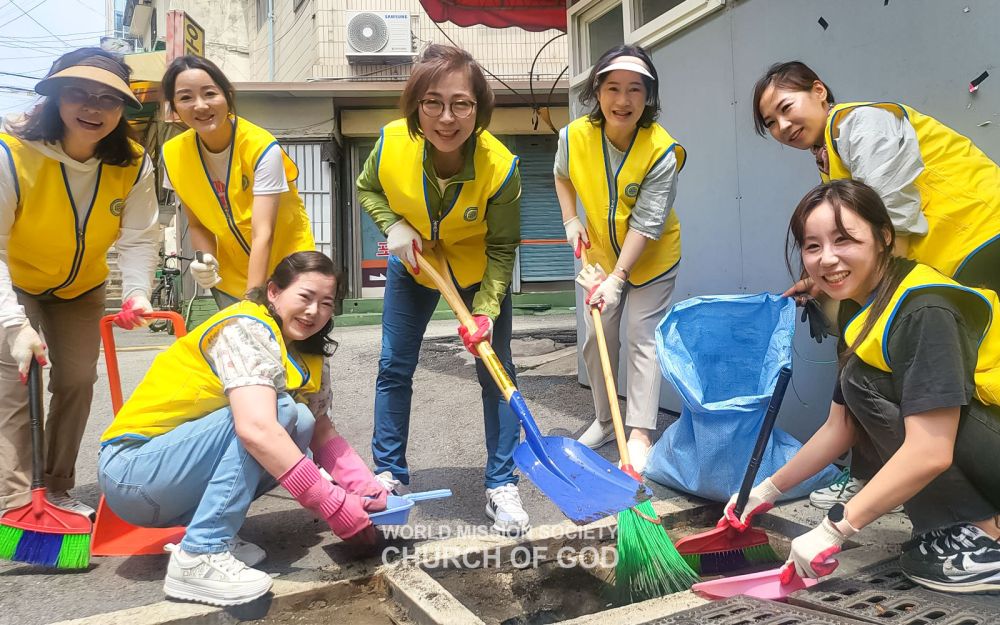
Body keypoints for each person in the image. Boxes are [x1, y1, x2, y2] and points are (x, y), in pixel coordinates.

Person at [721, 180, 1000, 594]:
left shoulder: (924, 310)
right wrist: (766, 490)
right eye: (812, 246)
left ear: (884, 236)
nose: (827, 259)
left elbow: (931, 449)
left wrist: (835, 528)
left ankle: (985, 539)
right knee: (860, 382)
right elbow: (841, 425)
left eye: (844, 239)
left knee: (868, 384)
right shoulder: (862, 303)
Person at [752, 60, 1000, 509]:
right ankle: (879, 478)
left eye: (787, 108)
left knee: (966, 375)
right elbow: (858, 239)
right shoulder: (832, 155)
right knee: (877, 359)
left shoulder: (862, 125)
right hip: (955, 257)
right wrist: (819, 281)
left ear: (819, 91)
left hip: (984, 239)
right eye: (771, 122)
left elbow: (890, 221)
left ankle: (974, 517)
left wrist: (863, 294)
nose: (783, 125)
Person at [98, 251, 387, 606]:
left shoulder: (307, 352)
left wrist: (366, 490)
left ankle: (212, 529)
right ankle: (201, 552)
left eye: (326, 303)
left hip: (172, 484)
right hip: (133, 473)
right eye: (305, 297)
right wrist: (335, 506)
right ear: (273, 293)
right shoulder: (245, 328)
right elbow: (256, 430)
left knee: (302, 420)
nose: (314, 311)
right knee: (277, 415)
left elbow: (321, 430)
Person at [356, 44, 527, 535]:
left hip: (476, 273)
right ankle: (388, 474)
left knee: (496, 371)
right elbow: (368, 189)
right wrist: (392, 225)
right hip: (414, 265)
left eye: (461, 104)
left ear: (479, 108)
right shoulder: (390, 143)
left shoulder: (502, 168)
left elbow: (502, 246)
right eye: (433, 102)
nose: (447, 117)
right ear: (416, 105)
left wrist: (487, 310)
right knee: (394, 365)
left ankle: (500, 483)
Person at [0, 48, 158, 519]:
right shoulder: (11, 152)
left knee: (77, 380)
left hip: (81, 288)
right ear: (54, 98)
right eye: (78, 94)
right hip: (18, 281)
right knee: (16, 381)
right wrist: (14, 324)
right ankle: (15, 504)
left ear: (121, 109)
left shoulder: (131, 162)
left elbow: (139, 236)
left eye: (107, 99)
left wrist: (136, 292)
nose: (93, 108)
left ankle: (58, 487)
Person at [555, 45, 684, 474]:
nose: (623, 100)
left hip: (650, 258)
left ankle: (641, 432)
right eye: (612, 88)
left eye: (634, 89)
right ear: (597, 90)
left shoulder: (661, 150)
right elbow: (560, 174)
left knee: (642, 337)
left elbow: (647, 224)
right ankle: (606, 420)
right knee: (597, 341)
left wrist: (619, 279)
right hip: (598, 257)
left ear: (648, 96)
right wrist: (571, 219)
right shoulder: (573, 136)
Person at [160, 56, 316, 309]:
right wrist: (206, 261)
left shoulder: (261, 147)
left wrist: (253, 297)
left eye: (209, 93)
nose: (200, 105)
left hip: (291, 272)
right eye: (186, 97)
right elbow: (198, 224)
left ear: (228, 96)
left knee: (297, 349)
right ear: (174, 108)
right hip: (230, 281)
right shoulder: (173, 154)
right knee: (241, 348)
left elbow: (262, 232)